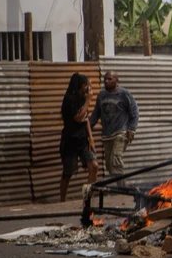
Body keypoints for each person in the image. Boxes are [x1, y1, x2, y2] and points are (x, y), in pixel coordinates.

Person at [89, 71, 139, 183]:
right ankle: (122, 186)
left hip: (121, 133)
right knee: (109, 165)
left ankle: (123, 188)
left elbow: (134, 111)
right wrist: (88, 128)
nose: (106, 81)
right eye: (105, 79)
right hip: (107, 135)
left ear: (117, 80)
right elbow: (96, 113)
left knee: (116, 160)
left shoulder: (124, 94)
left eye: (110, 79)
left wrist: (132, 129)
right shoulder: (101, 95)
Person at [59, 73, 99, 202]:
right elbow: (78, 117)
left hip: (83, 140)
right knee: (68, 173)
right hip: (70, 142)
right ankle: (62, 201)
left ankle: (87, 198)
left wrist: (91, 139)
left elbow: (85, 119)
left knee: (94, 165)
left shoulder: (82, 98)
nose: (89, 89)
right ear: (82, 86)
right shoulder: (69, 100)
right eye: (88, 86)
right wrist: (88, 101)